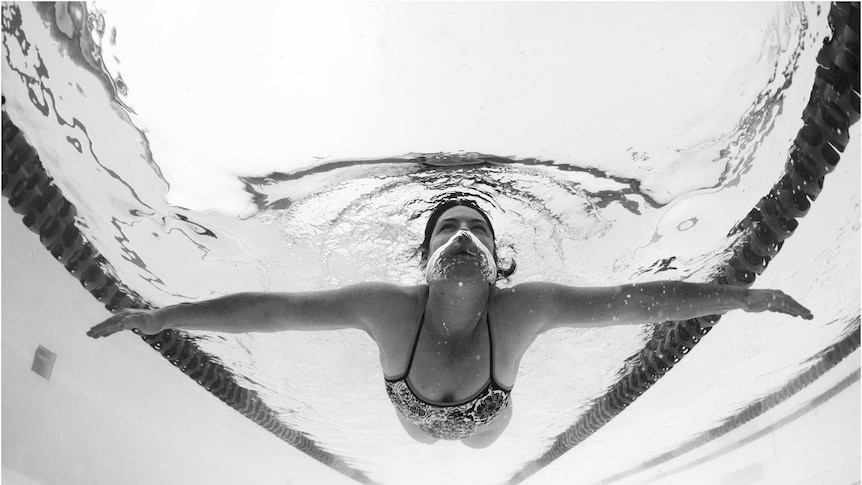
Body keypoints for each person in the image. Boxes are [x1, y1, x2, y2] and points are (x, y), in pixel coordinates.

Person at [88, 198, 813, 447]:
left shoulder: (525, 308)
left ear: (499, 261)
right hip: (409, 408)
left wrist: (739, 297)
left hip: (487, 416)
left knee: (473, 450)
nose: (462, 235)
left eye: (476, 228)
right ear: (426, 257)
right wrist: (166, 315)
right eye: (448, 229)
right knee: (426, 439)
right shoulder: (386, 307)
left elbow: (636, 300)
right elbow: (274, 312)